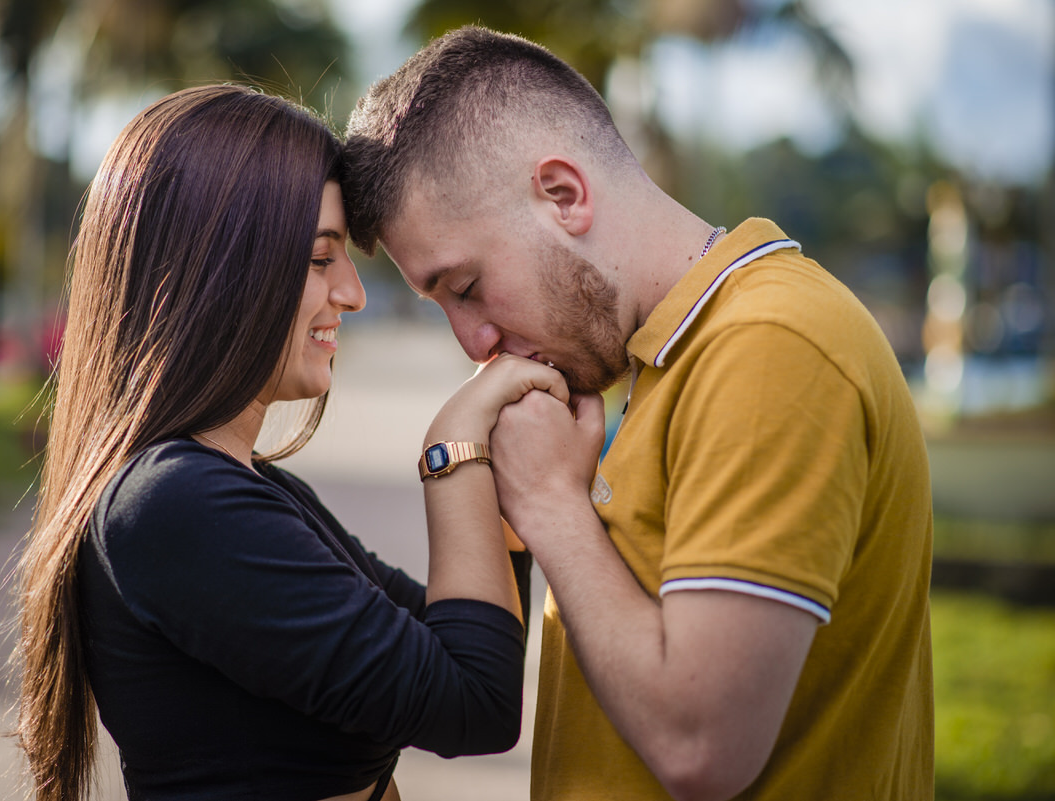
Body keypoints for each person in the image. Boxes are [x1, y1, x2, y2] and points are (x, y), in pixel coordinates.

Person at [342, 26, 934, 801]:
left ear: (564, 195)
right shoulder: (675, 357)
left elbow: (701, 745)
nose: (473, 340)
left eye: (465, 286)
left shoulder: (767, 345)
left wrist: (552, 503)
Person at [10, 84, 564, 801]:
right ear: (222, 269)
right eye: (318, 258)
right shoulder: (175, 504)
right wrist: (453, 450)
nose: (353, 294)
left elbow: (452, 642)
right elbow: (472, 707)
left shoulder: (245, 487)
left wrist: (508, 505)